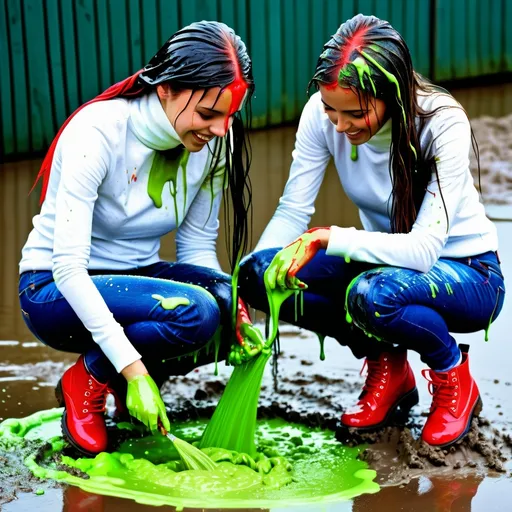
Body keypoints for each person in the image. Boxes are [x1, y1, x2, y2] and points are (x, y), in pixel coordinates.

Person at [239, 14, 505, 447]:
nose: (340, 126)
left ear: (393, 96)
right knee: (257, 273)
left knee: (373, 295)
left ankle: (453, 373)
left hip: (470, 274)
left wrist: (330, 237)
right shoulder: (321, 117)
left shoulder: (442, 122)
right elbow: (292, 209)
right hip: (380, 268)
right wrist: (250, 289)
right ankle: (389, 366)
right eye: (331, 110)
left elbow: (422, 250)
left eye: (355, 113)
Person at [18, 20, 261, 456]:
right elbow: (68, 268)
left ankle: (127, 392)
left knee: (229, 305)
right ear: (166, 89)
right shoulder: (98, 132)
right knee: (195, 311)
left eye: (229, 116)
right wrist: (134, 372)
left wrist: (234, 311)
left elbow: (196, 248)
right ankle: (88, 379)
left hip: (135, 277)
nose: (221, 129)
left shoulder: (214, 145)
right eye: (208, 114)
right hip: (53, 288)